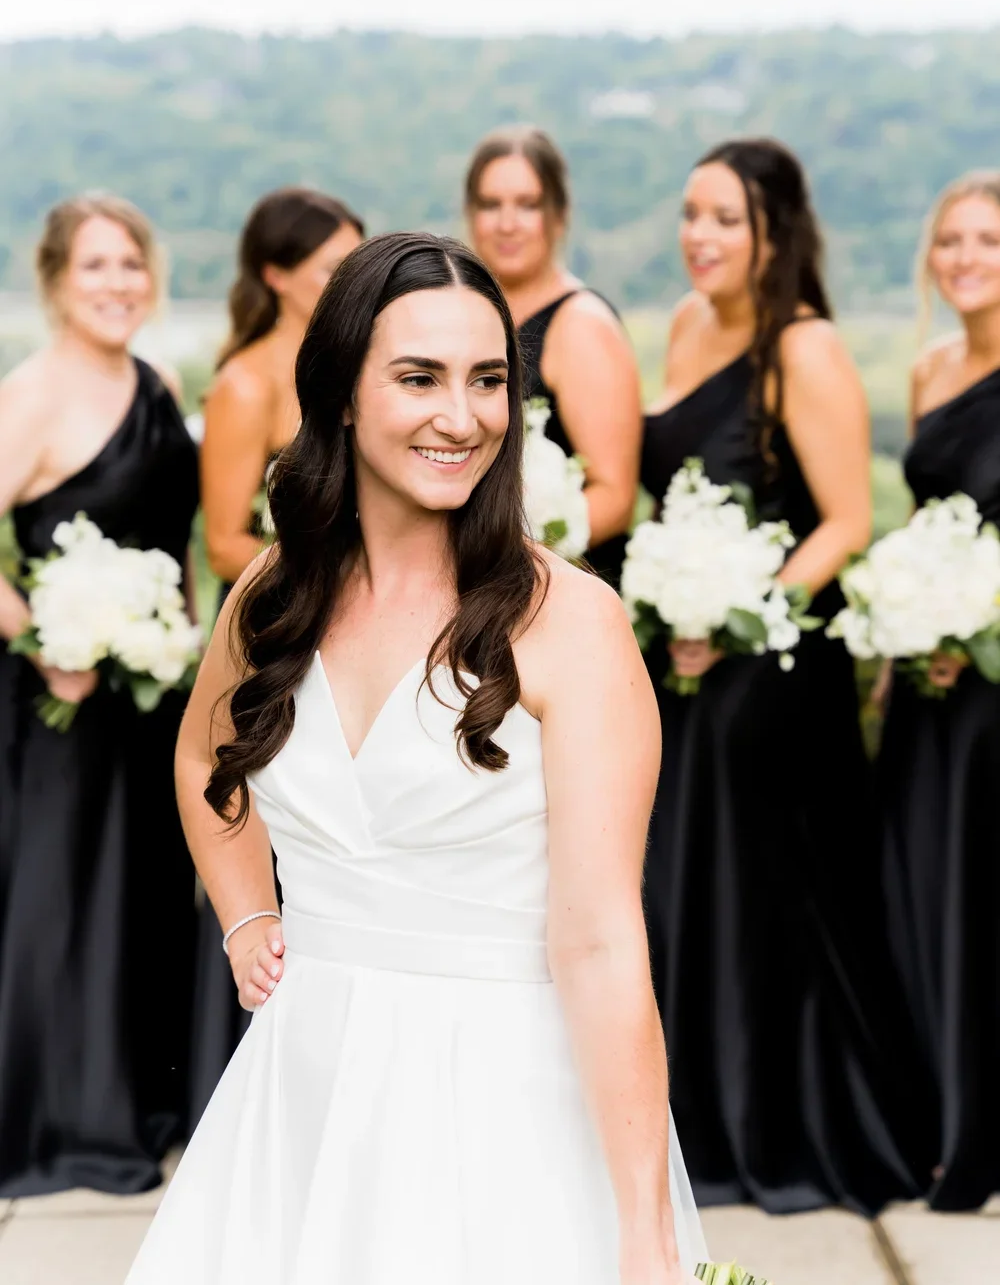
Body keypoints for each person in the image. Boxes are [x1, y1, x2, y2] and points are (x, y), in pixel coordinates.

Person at [125, 232, 706, 1284]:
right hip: (297, 1097)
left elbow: (600, 941)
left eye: (487, 379)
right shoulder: (274, 592)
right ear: (343, 394)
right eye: (418, 377)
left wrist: (645, 1229)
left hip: (500, 1113)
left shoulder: (571, 622)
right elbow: (204, 760)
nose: (462, 415)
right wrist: (247, 913)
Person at [639, 138, 935, 1215]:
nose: (700, 236)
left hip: (775, 665)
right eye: (691, 214)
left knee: (760, 895)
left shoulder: (803, 347)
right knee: (672, 882)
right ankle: (683, 1118)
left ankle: (775, 1120)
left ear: (775, 234)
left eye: (726, 218)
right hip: (680, 661)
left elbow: (846, 521)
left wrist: (734, 615)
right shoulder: (684, 325)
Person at [0, 196, 199, 1195]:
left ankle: (140, 1103)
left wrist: (191, 643)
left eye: (131, 263)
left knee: (146, 901)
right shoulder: (29, 396)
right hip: (64, 703)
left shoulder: (160, 385)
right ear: (54, 281)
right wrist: (45, 641)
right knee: (64, 904)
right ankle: (60, 1120)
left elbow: (176, 541)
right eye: (95, 266)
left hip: (154, 697)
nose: (118, 283)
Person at [189, 186, 364, 1127]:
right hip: (277, 635)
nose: (345, 281)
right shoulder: (247, 384)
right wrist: (313, 568)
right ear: (275, 275)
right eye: (329, 266)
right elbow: (222, 537)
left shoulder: (353, 373)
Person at [877, 171, 1000, 1211]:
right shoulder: (928, 371)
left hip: (994, 689)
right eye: (951, 241)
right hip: (928, 684)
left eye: (988, 241)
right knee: (924, 892)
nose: (965, 259)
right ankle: (947, 1124)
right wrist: (908, 630)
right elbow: (925, 524)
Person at [465, 126, 641, 586]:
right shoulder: (468, 316)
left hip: (559, 587)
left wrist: (509, 555)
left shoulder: (581, 325)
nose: (507, 223)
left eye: (527, 205)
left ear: (558, 216)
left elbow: (615, 499)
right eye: (491, 205)